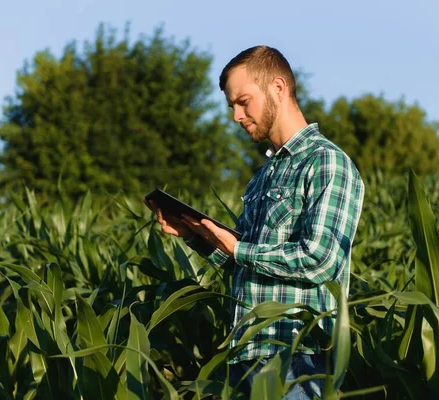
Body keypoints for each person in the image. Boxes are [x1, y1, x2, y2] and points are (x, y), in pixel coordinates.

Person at [144, 45, 365, 399]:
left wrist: (239, 248)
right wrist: (196, 237)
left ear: (278, 88)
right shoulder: (262, 177)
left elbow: (320, 260)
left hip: (296, 355)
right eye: (232, 105)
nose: (236, 115)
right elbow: (247, 265)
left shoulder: (326, 163)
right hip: (244, 353)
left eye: (243, 101)